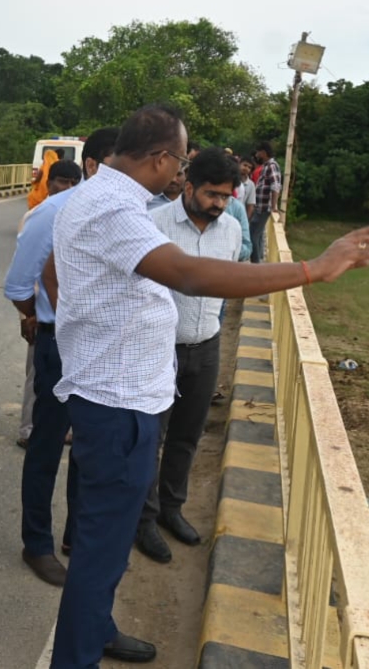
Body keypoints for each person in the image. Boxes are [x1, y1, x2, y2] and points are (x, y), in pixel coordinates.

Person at [46, 104, 369, 668]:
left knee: (101, 547)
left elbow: (64, 274)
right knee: (100, 553)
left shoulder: (100, 195)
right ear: (160, 158)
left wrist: (89, 333)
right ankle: (78, 655)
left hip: (114, 395)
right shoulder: (113, 207)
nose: (181, 172)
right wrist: (310, 269)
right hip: (117, 408)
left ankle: (97, 628)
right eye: (179, 161)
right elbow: (188, 273)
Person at [5, 132, 114, 587]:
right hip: (60, 343)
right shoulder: (51, 212)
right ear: (91, 165)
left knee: (89, 448)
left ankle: (75, 535)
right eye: (115, 165)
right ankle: (38, 544)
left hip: (106, 347)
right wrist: (37, 317)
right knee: (48, 447)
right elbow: (17, 286)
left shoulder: (130, 215)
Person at [134, 149, 243, 565]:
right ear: (190, 184)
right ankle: (143, 520)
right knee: (151, 437)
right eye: (212, 194)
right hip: (158, 349)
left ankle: (171, 508)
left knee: (187, 435)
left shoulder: (230, 229)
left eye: (226, 196)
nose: (218, 203)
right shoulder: (154, 224)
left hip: (206, 345)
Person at [14, 158, 83, 449]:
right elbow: (23, 272)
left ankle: (59, 426)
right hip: (39, 311)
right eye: (61, 182)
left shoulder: (78, 216)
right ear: (49, 183)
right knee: (36, 375)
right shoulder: (37, 216)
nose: (66, 188)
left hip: (65, 312)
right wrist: (27, 315)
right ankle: (28, 428)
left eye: (71, 183)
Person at [250, 141, 281, 263]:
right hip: (260, 206)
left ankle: (256, 264)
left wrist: (273, 206)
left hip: (264, 208)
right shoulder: (266, 166)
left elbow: (275, 186)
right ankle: (257, 262)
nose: (257, 155)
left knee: (253, 235)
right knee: (256, 235)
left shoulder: (272, 166)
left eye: (258, 152)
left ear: (263, 152)